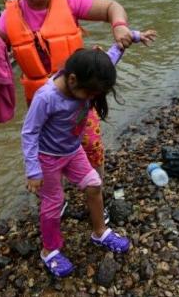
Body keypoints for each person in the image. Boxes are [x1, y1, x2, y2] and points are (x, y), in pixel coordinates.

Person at [0, 0, 136, 183]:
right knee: (46, 152)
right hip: (41, 100)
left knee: (91, 145)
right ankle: (54, 194)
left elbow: (113, 7)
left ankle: (96, 188)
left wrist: (119, 26)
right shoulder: (8, 16)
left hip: (78, 95)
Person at [22, 48, 148, 277]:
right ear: (72, 80)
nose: (92, 99)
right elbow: (29, 133)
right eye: (90, 94)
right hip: (48, 158)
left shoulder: (86, 79)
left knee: (94, 184)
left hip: (72, 150)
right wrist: (33, 170)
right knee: (54, 201)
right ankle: (49, 250)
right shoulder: (46, 97)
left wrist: (127, 42)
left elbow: (108, 60)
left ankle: (99, 231)